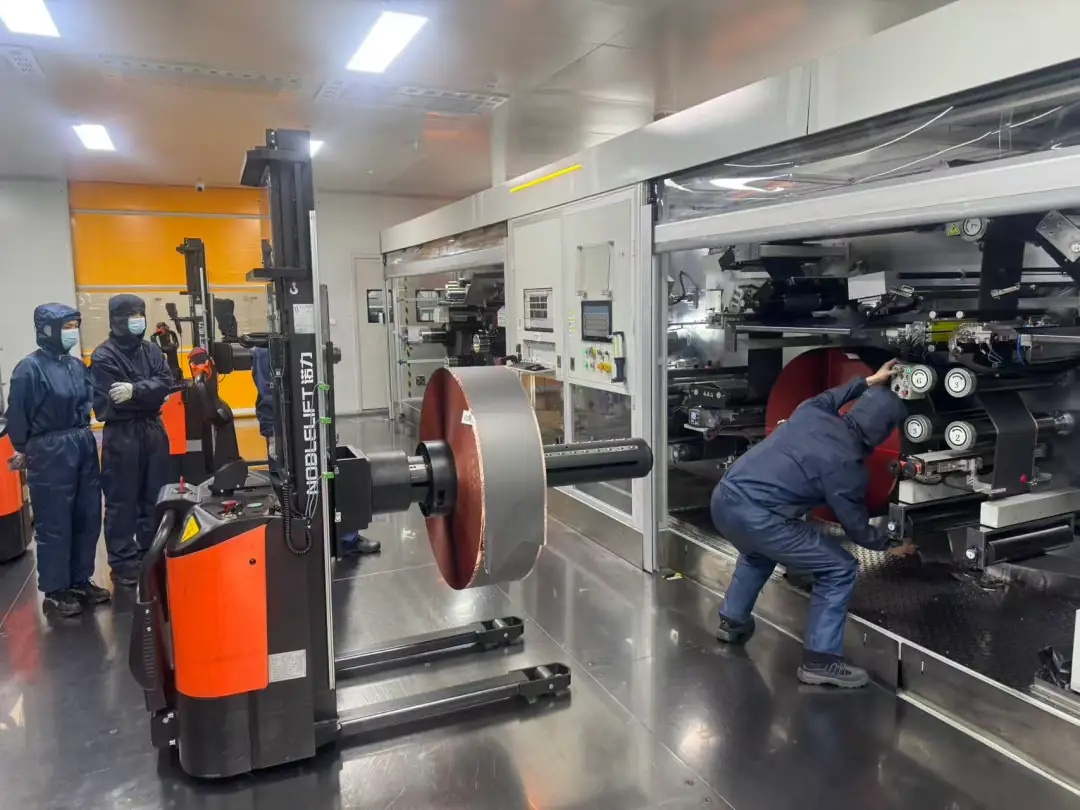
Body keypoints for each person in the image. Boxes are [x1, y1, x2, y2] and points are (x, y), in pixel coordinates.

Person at [711, 359, 906, 688]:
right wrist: (889, 545)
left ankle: (732, 622)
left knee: (758, 554)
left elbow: (833, 395)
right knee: (839, 567)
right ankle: (821, 661)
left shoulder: (812, 411)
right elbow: (856, 528)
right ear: (884, 432)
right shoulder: (848, 467)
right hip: (760, 518)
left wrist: (870, 380)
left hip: (724, 499)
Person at [6, 304, 109, 616]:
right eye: (67, 326)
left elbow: (90, 402)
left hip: (82, 443)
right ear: (48, 329)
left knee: (87, 515)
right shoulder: (30, 369)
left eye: (74, 325)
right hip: (50, 450)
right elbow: (17, 417)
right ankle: (55, 589)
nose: (72, 332)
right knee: (55, 521)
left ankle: (80, 579)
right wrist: (28, 449)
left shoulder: (77, 366)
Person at [251, 346, 380, 556]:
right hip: (284, 431)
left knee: (327, 475)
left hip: (310, 426)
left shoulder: (307, 344)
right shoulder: (266, 353)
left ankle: (344, 537)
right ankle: (291, 538)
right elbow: (268, 399)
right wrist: (273, 435)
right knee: (286, 484)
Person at [91, 294, 173, 587]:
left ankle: (149, 553)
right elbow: (111, 403)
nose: (138, 320)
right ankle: (123, 564)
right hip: (122, 434)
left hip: (153, 430)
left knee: (154, 495)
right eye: (132, 315)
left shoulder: (151, 350)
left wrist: (136, 391)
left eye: (141, 314)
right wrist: (149, 394)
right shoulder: (104, 356)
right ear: (117, 319)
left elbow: (167, 381)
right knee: (121, 500)